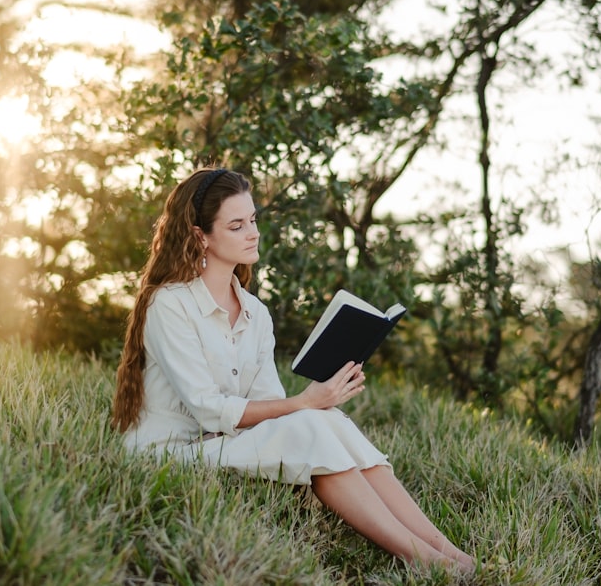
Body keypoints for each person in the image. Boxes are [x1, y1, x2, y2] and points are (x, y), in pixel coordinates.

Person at [112, 167, 475, 573]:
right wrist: (304, 403)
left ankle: (450, 553)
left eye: (252, 220)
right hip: (172, 455)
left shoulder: (255, 313)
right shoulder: (170, 304)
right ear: (201, 236)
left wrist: (323, 399)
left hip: (222, 443)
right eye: (236, 225)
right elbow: (208, 410)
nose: (252, 233)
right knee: (309, 421)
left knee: (330, 420)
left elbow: (266, 403)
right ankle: (424, 560)